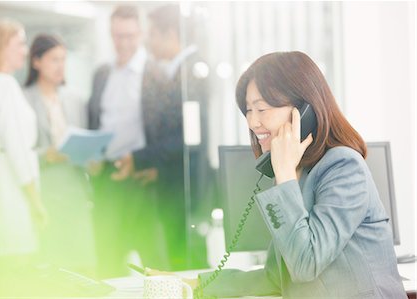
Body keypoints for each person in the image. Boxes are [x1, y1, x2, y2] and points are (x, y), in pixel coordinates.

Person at [150, 51, 407, 299]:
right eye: (248, 110)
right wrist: (196, 283)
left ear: (304, 112)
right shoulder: (297, 172)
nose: (252, 122)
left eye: (261, 109)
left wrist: (284, 174)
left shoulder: (343, 167)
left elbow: (306, 263)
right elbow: (276, 277)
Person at [88, 5, 168, 278]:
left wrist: (144, 161)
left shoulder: (156, 75)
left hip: (141, 179)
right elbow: (96, 122)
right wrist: (94, 155)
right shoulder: (101, 74)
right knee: (107, 258)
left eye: (129, 36)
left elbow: (171, 134)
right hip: (107, 180)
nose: (123, 42)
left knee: (153, 261)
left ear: (141, 34)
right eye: (117, 35)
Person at [0, 19, 47, 281]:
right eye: (19, 43)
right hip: (9, 187)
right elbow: (17, 148)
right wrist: (36, 201)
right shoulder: (4, 85)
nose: (25, 51)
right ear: (1, 47)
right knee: (14, 270)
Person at [144, 4, 213, 270]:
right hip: (173, 183)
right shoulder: (175, 70)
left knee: (190, 260)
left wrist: (142, 160)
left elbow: (189, 138)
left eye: (152, 34)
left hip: (188, 185)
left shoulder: (193, 70)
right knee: (178, 257)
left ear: (170, 33)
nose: (148, 42)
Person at [24, 34, 96, 275]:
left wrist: (92, 158)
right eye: (54, 59)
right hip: (46, 190)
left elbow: (84, 139)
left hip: (75, 190)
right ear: (36, 62)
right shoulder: (25, 99)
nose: (60, 66)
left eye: (63, 60)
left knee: (83, 265)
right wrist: (48, 154)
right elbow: (21, 151)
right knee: (53, 267)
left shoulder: (75, 99)